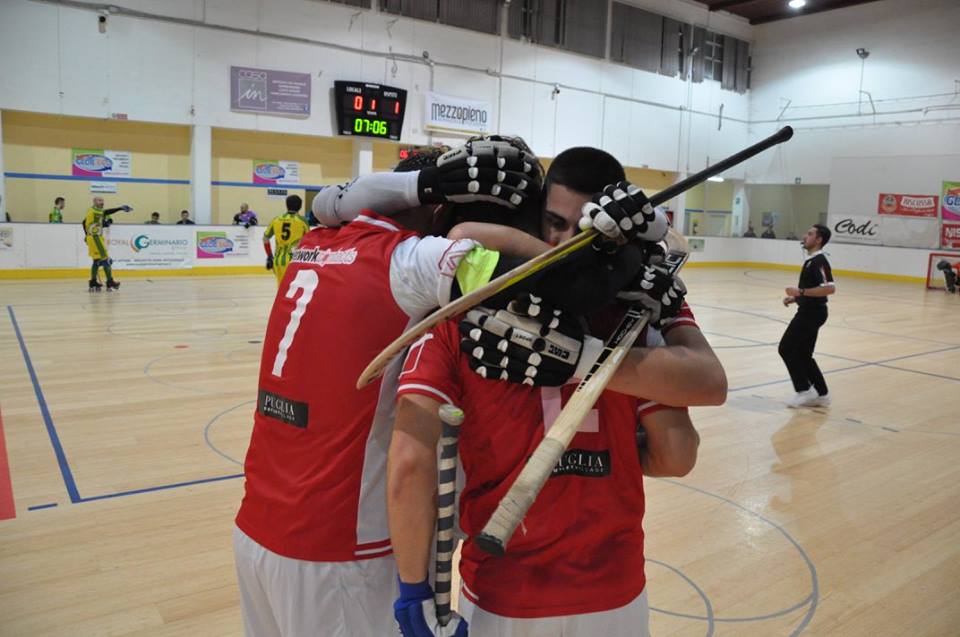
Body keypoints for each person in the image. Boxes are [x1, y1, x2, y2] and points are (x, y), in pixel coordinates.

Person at [388, 148, 726, 637]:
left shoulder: (461, 310)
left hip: (505, 591)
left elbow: (409, 462)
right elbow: (676, 453)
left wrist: (413, 588)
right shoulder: (633, 309)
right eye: (552, 223)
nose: (563, 241)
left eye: (579, 231)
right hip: (613, 587)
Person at [234, 139, 556, 637]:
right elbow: (550, 281)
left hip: (258, 528)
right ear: (436, 209)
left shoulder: (314, 241)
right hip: (342, 553)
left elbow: (330, 198)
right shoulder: (412, 262)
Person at [780, 224, 836, 408]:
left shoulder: (819, 261)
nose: (805, 236)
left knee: (786, 348)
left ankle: (804, 390)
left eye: (810, 234)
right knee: (804, 354)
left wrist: (800, 291)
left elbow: (829, 288)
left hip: (812, 314)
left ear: (819, 240)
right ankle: (822, 394)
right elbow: (814, 289)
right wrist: (796, 298)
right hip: (810, 310)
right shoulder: (812, 260)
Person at [83, 196, 130, 291]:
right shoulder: (95, 211)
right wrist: (120, 208)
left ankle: (93, 282)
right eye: (100, 200)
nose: (102, 202)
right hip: (96, 239)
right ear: (94, 201)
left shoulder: (91, 211)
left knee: (96, 261)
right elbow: (106, 212)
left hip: (92, 237)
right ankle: (110, 282)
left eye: (103, 201)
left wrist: (87, 235)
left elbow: (83, 222)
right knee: (106, 261)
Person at [263, 195, 310, 286]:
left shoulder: (276, 219)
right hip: (294, 260)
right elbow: (308, 241)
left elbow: (265, 239)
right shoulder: (302, 221)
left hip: (277, 261)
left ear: (287, 205)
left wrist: (269, 256)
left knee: (281, 289)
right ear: (300, 206)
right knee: (292, 291)